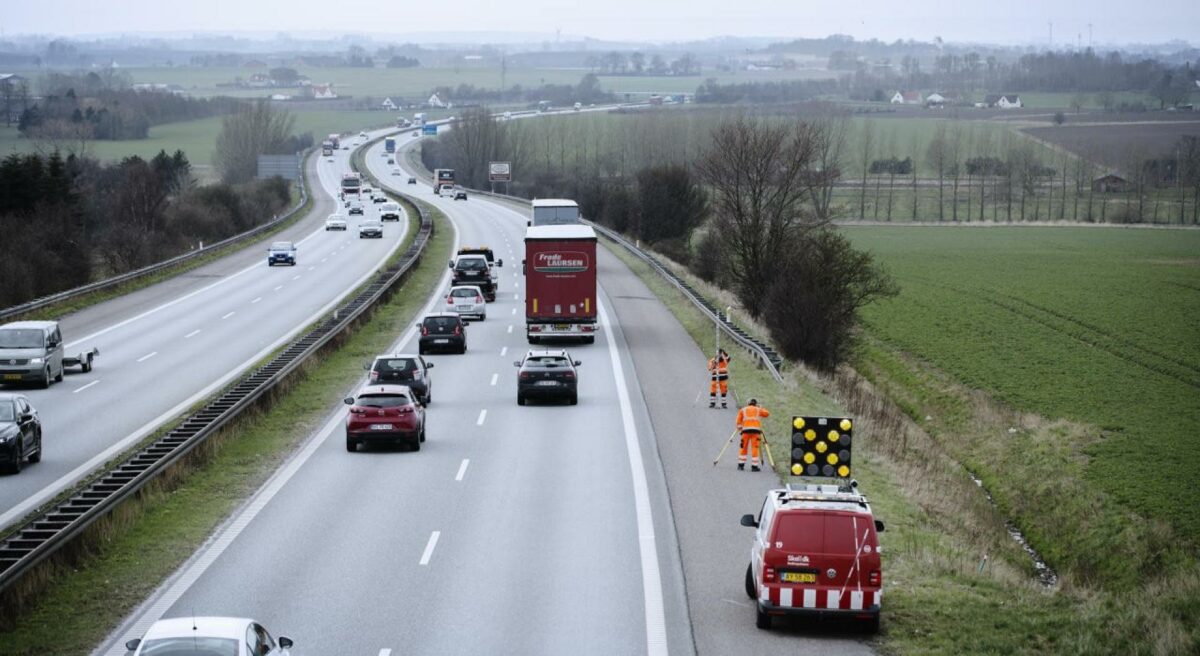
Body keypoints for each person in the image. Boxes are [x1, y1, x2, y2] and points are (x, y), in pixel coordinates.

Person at [735, 398, 769, 471]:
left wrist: (740, 428)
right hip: (756, 432)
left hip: (745, 432)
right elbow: (767, 414)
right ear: (755, 403)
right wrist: (761, 408)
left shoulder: (743, 410)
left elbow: (738, 420)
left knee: (743, 448)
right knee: (754, 448)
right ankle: (754, 467)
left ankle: (741, 465)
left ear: (748, 403)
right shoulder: (758, 409)